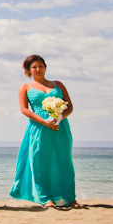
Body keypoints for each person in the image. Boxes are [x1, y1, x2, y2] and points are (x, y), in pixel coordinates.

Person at [10, 55, 79, 208]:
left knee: (64, 162)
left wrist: (59, 119)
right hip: (38, 127)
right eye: (34, 67)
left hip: (60, 126)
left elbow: (70, 106)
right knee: (40, 162)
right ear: (29, 70)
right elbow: (24, 109)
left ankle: (70, 198)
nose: (38, 69)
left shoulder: (58, 84)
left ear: (45, 67)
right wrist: (44, 122)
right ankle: (45, 198)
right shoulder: (25, 87)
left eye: (40, 66)